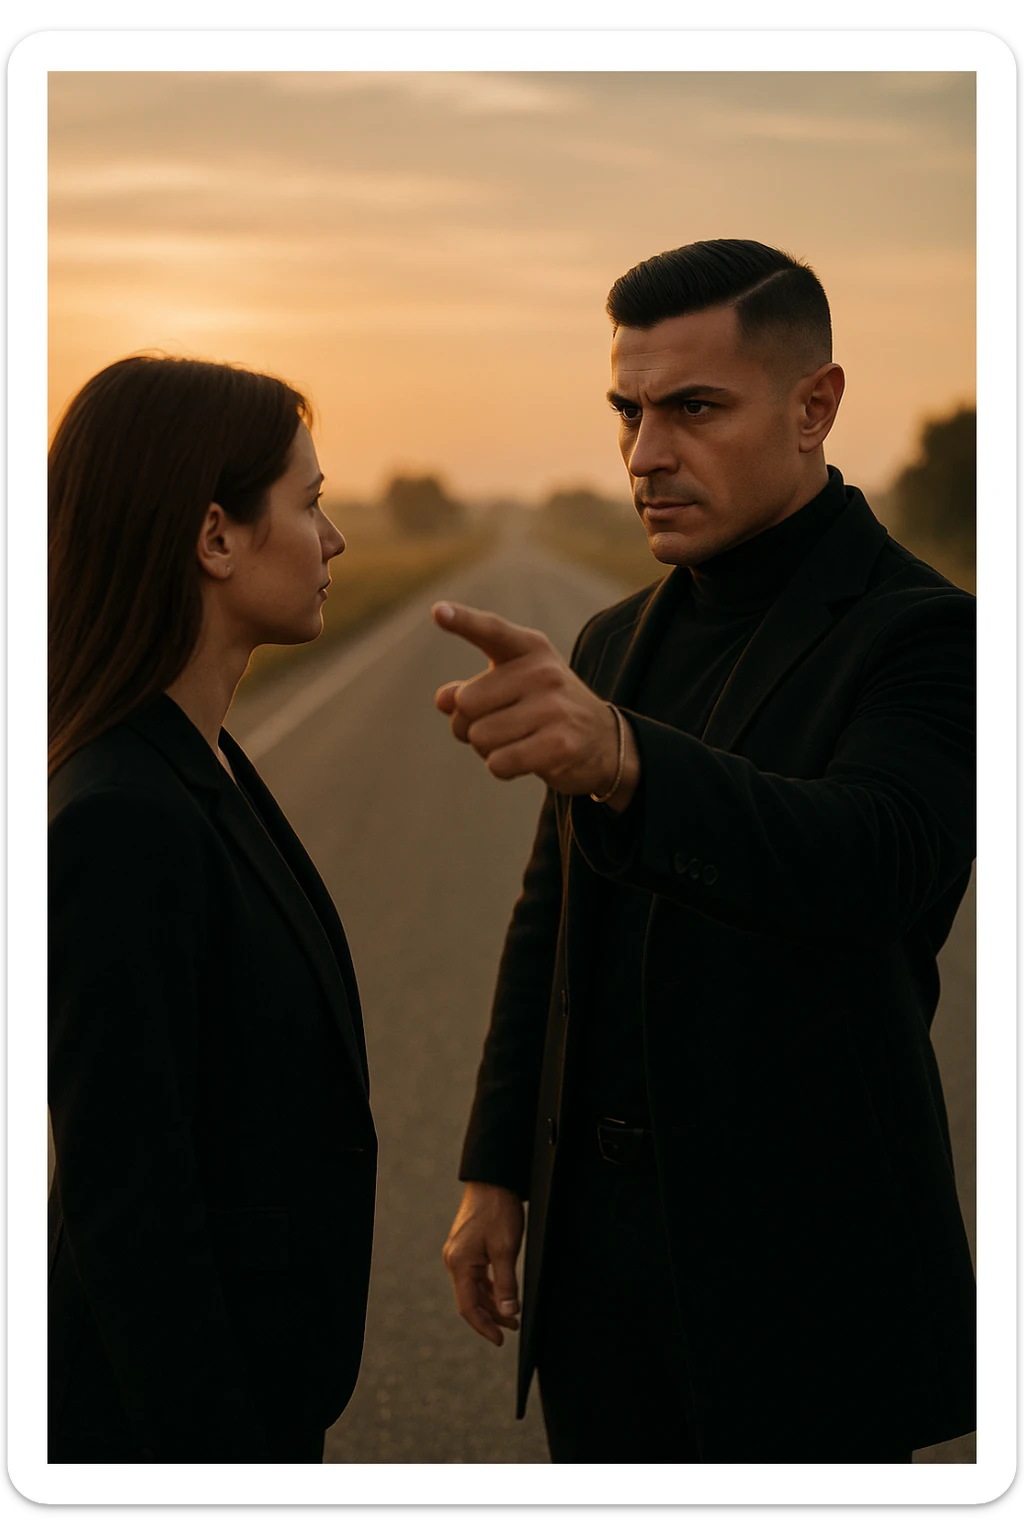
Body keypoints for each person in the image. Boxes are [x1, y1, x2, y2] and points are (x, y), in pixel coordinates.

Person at [434, 239, 976, 1464]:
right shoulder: (613, 635)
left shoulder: (929, 634)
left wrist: (626, 758)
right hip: (600, 1277)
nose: (643, 455)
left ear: (814, 405)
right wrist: (496, 1172)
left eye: (691, 408)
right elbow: (549, 921)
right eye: (626, 410)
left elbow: (872, 860)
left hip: (801, 1279)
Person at [47, 355, 376, 1464]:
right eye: (312, 503)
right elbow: (127, 1207)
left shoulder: (205, 760)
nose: (333, 542)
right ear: (215, 537)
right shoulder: (120, 817)